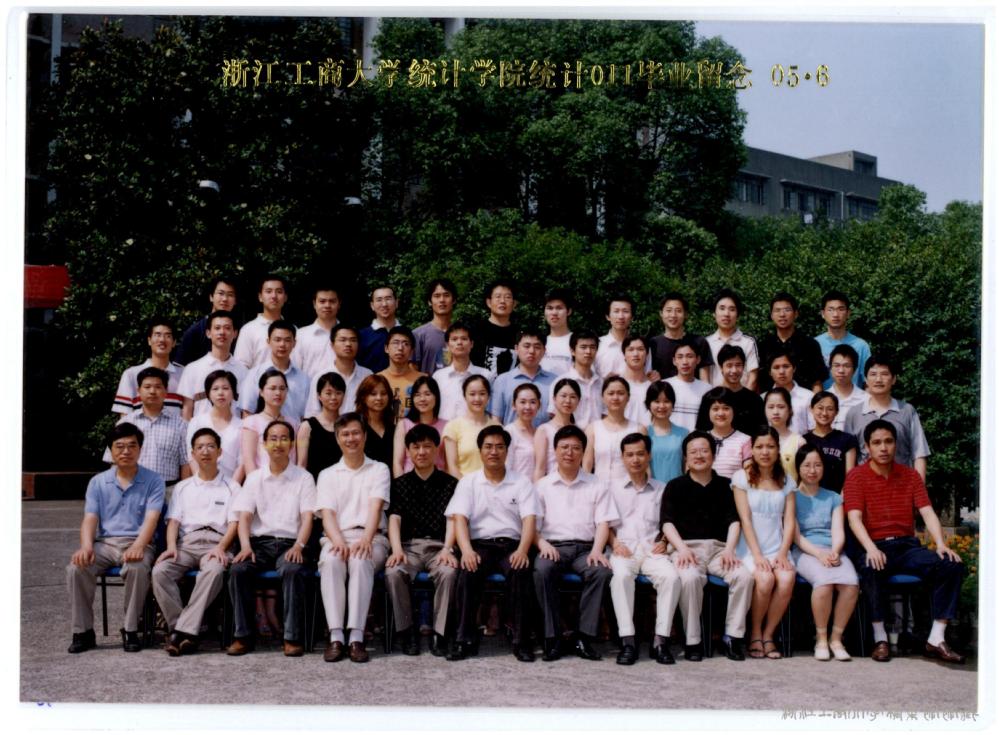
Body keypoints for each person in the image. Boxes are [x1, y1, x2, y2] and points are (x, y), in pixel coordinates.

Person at [844, 420, 966, 664]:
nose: (883, 448)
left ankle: (936, 638)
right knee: (870, 566)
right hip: (875, 545)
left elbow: (927, 511)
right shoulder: (856, 476)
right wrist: (871, 548)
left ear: (896, 444)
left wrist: (940, 544)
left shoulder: (910, 476)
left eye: (888, 441)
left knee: (951, 564)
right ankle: (880, 639)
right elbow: (854, 518)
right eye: (877, 443)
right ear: (867, 447)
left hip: (907, 547)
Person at [445, 425, 540, 662]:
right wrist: (466, 550)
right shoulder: (468, 482)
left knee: (520, 571)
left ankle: (521, 641)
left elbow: (529, 520)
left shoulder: (522, 482)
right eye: (488, 447)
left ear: (507, 451)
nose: (494, 452)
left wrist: (523, 550)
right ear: (480, 451)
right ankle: (464, 639)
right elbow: (459, 519)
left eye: (499, 447)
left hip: (512, 545)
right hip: (480, 545)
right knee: (468, 572)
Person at [67, 423, 164, 654]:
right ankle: (83, 631)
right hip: (106, 544)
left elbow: (152, 519)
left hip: (139, 542)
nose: (126, 451)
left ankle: (130, 629)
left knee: (137, 567)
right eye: (119, 446)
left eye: (132, 446)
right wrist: (86, 547)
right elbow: (90, 518)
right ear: (111, 450)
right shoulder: (98, 482)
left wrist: (139, 545)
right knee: (76, 568)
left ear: (140, 449)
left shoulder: (154, 480)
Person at [661, 431, 753, 662]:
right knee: (690, 578)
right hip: (687, 549)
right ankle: (693, 640)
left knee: (743, 576)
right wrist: (681, 548)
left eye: (704, 450)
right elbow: (667, 523)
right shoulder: (675, 486)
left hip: (719, 550)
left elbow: (734, 521)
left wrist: (730, 549)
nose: (699, 455)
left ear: (713, 454)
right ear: (685, 457)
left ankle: (732, 637)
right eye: (693, 452)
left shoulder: (725, 485)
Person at [227, 420, 315, 657]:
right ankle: (243, 636)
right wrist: (245, 546)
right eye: (273, 439)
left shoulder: (304, 478)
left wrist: (299, 545)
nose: (278, 444)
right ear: (264, 444)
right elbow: (245, 517)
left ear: (292, 444)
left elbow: (307, 517)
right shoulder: (254, 478)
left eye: (284, 438)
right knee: (239, 570)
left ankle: (292, 638)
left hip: (291, 543)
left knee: (292, 569)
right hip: (259, 543)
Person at [152, 428, 240, 656]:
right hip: (186, 543)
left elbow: (234, 524)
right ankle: (186, 630)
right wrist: (171, 547)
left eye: (210, 446)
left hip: (217, 543)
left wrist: (221, 547)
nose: (205, 451)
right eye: (200, 447)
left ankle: (178, 634)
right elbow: (173, 522)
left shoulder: (232, 486)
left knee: (214, 571)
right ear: (192, 453)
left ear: (219, 452)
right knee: (160, 571)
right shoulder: (183, 487)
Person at [534, 425, 617, 661]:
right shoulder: (542, 485)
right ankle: (553, 638)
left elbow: (603, 522)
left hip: (585, 549)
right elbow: (532, 526)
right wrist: (542, 544)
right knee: (542, 570)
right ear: (555, 450)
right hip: (553, 547)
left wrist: (597, 550)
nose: (569, 453)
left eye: (575, 448)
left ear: (583, 452)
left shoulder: (597, 483)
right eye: (564, 447)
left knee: (600, 571)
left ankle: (584, 637)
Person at [315, 413, 391, 664]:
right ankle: (336, 636)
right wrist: (338, 540)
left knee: (359, 560)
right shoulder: (327, 474)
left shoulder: (379, 469)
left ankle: (356, 637)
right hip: (337, 536)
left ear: (365, 436)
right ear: (337, 439)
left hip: (372, 536)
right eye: (345, 434)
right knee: (331, 561)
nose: (351, 438)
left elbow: (376, 507)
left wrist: (366, 539)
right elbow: (327, 514)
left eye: (356, 433)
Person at [385, 424, 459, 657]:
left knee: (448, 572)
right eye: (416, 447)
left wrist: (448, 548)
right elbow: (394, 519)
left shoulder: (450, 483)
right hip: (409, 547)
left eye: (427, 446)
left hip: (440, 546)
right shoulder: (400, 484)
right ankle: (407, 631)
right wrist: (396, 549)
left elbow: (454, 519)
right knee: (394, 572)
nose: (422, 452)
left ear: (436, 450)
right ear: (408, 451)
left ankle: (440, 634)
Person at [607, 433, 680, 665]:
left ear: (649, 455)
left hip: (652, 550)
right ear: (622, 458)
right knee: (620, 577)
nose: (635, 459)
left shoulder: (662, 488)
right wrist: (614, 543)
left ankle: (660, 640)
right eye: (629, 455)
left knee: (671, 577)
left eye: (640, 454)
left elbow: (669, 522)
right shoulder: (612, 488)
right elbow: (603, 524)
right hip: (623, 548)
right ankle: (628, 641)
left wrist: (665, 542)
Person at [731, 426, 797, 660]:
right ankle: (755, 633)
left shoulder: (786, 479)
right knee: (765, 579)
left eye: (770, 446)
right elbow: (745, 519)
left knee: (786, 579)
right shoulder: (741, 477)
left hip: (777, 547)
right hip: (750, 548)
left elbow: (789, 521)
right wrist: (758, 556)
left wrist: (782, 553)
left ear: (778, 449)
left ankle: (769, 634)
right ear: (752, 450)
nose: (765, 452)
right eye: (759, 447)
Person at [792, 443, 859, 661]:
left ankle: (836, 639)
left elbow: (838, 530)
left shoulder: (833, 497)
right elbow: (796, 536)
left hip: (832, 550)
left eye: (817, 465)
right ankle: (820, 639)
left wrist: (835, 551)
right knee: (824, 583)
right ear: (798, 468)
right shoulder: (791, 497)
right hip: (805, 551)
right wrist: (818, 554)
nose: (812, 470)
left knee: (851, 584)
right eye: (807, 465)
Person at [845, 354, 930, 479]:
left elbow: (919, 453)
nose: (878, 379)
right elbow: (849, 455)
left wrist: (919, 487)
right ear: (866, 379)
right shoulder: (854, 413)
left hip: (902, 484)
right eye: (873, 374)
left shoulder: (907, 411)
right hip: (866, 485)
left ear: (894, 379)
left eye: (884, 374)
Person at [108, 366, 190, 484]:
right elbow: (114, 461)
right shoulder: (125, 423)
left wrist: (184, 490)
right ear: (139, 391)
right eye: (147, 387)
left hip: (168, 489)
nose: (152, 391)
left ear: (166, 391)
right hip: (132, 487)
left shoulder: (180, 424)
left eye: (158, 387)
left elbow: (185, 463)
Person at [178, 310, 247, 420]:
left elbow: (245, 411)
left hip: (233, 430)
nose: (222, 332)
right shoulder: (192, 369)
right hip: (200, 430)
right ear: (208, 333)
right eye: (217, 328)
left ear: (235, 333)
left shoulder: (244, 371)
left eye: (227, 328)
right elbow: (187, 409)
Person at [112, 316, 185, 417]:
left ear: (174, 343)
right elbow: (124, 415)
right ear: (149, 340)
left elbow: (188, 412)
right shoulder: (131, 374)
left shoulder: (184, 374)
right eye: (157, 335)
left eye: (167, 336)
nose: (162, 340)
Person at [239, 320, 311, 421]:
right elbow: (247, 412)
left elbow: (305, 416)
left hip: (294, 430)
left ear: (294, 343)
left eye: (287, 340)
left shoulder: (303, 379)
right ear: (268, 341)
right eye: (277, 340)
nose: (282, 344)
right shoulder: (255, 374)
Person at [757, 292, 828, 392]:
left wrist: (817, 401)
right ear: (772, 315)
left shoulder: (810, 345)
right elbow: (759, 381)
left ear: (796, 314)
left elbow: (817, 382)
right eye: (777, 310)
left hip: (803, 400)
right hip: (771, 400)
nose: (782, 314)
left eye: (787, 310)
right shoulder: (763, 346)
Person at [583, 376, 646, 487]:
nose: (615, 397)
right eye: (611, 393)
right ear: (603, 397)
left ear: (628, 397)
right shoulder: (593, 428)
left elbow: (645, 466)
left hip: (629, 489)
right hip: (599, 489)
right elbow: (587, 465)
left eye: (620, 393)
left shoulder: (639, 430)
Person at [489, 329, 556, 427]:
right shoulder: (502, 381)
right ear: (516, 348)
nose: (531, 351)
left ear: (544, 351)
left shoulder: (554, 381)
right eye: (526, 346)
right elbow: (496, 419)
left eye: (537, 347)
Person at [304, 324, 373, 418]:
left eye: (353, 340)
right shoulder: (321, 376)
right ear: (332, 345)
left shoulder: (367, 376)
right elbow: (312, 413)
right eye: (342, 340)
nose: (348, 344)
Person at [186, 370, 244, 482]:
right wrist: (201, 482)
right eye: (215, 389)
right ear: (208, 394)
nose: (220, 393)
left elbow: (242, 462)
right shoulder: (197, 422)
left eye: (226, 388)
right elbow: (191, 455)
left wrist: (232, 487)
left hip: (230, 484)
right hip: (201, 484)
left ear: (233, 393)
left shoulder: (241, 425)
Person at [240, 369, 300, 477]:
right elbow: (249, 461)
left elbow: (294, 457)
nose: (278, 393)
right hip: (262, 481)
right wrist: (255, 484)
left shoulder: (293, 423)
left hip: (289, 481)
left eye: (282, 388)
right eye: (272, 388)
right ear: (261, 392)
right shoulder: (251, 422)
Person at [698, 344, 765, 435]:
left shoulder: (755, 400)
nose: (734, 370)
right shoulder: (710, 398)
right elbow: (702, 431)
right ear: (721, 367)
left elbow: (761, 433)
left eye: (738, 365)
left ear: (743, 367)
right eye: (729, 365)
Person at [443, 375, 500, 478]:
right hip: (462, 485)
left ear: (488, 396)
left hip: (492, 485)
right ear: (464, 396)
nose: (477, 399)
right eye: (472, 394)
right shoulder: (453, 427)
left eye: (482, 394)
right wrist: (467, 486)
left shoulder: (498, 428)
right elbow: (452, 467)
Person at [432, 322, 491, 421]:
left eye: (464, 339)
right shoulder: (438, 376)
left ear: (471, 344)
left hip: (475, 428)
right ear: (447, 345)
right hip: (443, 429)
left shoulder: (486, 375)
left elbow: (490, 409)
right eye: (454, 339)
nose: (459, 342)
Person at [650, 292, 713, 382]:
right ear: (661, 313)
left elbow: (705, 380)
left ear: (685, 314)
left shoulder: (699, 342)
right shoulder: (653, 344)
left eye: (678, 311)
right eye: (669, 310)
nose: (673, 315)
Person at [392, 375, 448, 476]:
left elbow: (449, 464)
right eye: (417, 395)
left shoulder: (447, 426)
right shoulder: (404, 424)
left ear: (436, 397)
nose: (422, 399)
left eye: (427, 394)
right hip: (409, 482)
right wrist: (401, 484)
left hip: (438, 482)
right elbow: (397, 463)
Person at [175, 276, 238, 366]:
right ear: (211, 297)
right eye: (221, 293)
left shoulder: (241, 332)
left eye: (230, 295)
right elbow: (179, 367)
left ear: (235, 301)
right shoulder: (195, 331)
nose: (225, 299)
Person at [546, 329, 603, 428]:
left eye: (592, 347)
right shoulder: (560, 382)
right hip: (571, 436)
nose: (588, 352)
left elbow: (605, 414)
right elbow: (554, 415)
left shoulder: (601, 383)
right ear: (572, 351)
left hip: (598, 436)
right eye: (583, 347)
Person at [803, 391, 858, 493]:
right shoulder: (803, 440)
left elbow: (850, 476)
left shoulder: (847, 440)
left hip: (839, 497)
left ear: (836, 412)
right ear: (811, 409)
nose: (824, 413)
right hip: (809, 497)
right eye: (820, 408)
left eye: (830, 409)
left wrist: (842, 498)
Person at [816, 290, 871, 390]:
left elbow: (868, 382)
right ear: (823, 313)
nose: (835, 314)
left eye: (841, 309)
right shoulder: (814, 344)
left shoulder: (861, 346)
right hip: (823, 399)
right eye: (830, 310)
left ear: (848, 313)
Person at [706, 289, 759, 390]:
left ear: (737, 315)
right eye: (722, 308)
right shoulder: (707, 342)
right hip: (715, 398)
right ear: (714, 313)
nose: (726, 314)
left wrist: (745, 398)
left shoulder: (748, 342)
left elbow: (753, 377)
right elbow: (705, 377)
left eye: (732, 309)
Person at [296, 372, 346, 480]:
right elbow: (301, 464)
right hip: (315, 485)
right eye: (328, 393)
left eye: (338, 393)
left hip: (343, 484)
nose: (333, 397)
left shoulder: (347, 425)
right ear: (319, 396)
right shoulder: (307, 427)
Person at [233, 274, 289, 370]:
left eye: (279, 292)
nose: (274, 296)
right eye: (268, 291)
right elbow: (241, 367)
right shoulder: (248, 330)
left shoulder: (293, 330)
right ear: (260, 297)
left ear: (285, 297)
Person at [533, 377, 581, 480]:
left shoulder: (579, 431)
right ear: (554, 399)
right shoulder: (544, 430)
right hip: (551, 485)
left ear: (578, 401)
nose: (568, 401)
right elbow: (540, 468)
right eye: (563, 396)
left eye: (573, 397)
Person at [470, 279, 519, 379]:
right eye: (498, 296)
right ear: (489, 302)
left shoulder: (519, 334)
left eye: (507, 297)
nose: (502, 301)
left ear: (514, 304)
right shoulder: (475, 331)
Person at [291, 284, 341, 378]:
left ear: (339, 304)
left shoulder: (348, 335)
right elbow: (295, 369)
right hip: (310, 387)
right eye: (322, 301)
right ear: (314, 304)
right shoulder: (301, 335)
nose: (327, 305)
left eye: (332, 301)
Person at [595, 294, 651, 378]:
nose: (621, 316)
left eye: (625, 311)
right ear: (608, 316)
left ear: (632, 317)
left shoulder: (642, 346)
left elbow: (648, 376)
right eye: (616, 311)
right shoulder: (597, 345)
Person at [700, 387, 750, 480]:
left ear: (734, 410)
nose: (721, 413)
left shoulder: (746, 440)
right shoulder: (699, 439)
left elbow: (750, 474)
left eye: (726, 408)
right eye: (715, 409)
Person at [645, 381, 688, 485]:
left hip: (677, 490)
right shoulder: (644, 433)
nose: (662, 406)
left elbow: (686, 466)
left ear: (673, 404)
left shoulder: (683, 433)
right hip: (652, 490)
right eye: (657, 401)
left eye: (667, 401)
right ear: (649, 404)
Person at [378, 326, 425, 420]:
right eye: (395, 343)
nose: (400, 348)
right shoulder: (377, 379)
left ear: (412, 351)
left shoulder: (423, 380)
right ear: (386, 348)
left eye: (406, 344)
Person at [765, 345, 815, 435]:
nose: (781, 372)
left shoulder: (808, 397)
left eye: (786, 366)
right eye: (776, 367)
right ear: (769, 372)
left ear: (794, 368)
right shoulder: (763, 398)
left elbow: (813, 429)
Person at [665, 337, 712, 431]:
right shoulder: (664, 386)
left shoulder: (707, 390)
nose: (685, 362)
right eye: (680, 357)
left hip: (697, 439)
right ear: (674, 361)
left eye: (690, 356)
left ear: (698, 359)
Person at [412, 278, 457, 375]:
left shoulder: (462, 334)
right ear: (429, 301)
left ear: (454, 300)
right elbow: (412, 371)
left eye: (446, 295)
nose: (442, 300)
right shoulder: (418, 335)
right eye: (437, 296)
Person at [763, 387, 806, 483]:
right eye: (771, 407)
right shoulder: (758, 440)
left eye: (781, 407)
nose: (775, 412)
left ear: (790, 410)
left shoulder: (799, 442)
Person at [354, 374, 396, 467]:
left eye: (383, 393)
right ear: (363, 397)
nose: (379, 398)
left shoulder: (393, 428)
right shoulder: (356, 427)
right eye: (373, 394)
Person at [357, 284, 401, 373]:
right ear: (372, 305)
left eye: (388, 299)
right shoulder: (361, 336)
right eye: (379, 300)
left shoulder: (408, 334)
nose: (384, 304)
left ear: (396, 303)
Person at [826, 344, 867, 430]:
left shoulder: (866, 399)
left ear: (854, 369)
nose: (841, 370)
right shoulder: (823, 398)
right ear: (830, 368)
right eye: (836, 365)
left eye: (846, 366)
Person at [504, 383, 540, 479]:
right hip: (516, 486)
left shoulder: (539, 432)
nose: (528, 407)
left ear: (539, 405)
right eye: (523, 402)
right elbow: (506, 467)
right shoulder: (509, 432)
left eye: (533, 402)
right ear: (514, 405)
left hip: (538, 486)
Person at [539, 288, 574, 376]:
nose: (554, 313)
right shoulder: (539, 342)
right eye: (550, 308)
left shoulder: (577, 341)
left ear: (569, 311)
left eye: (559, 308)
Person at [621, 335, 652, 426]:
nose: (635, 354)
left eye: (640, 349)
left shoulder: (653, 386)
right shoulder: (616, 385)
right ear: (624, 354)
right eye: (630, 349)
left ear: (647, 354)